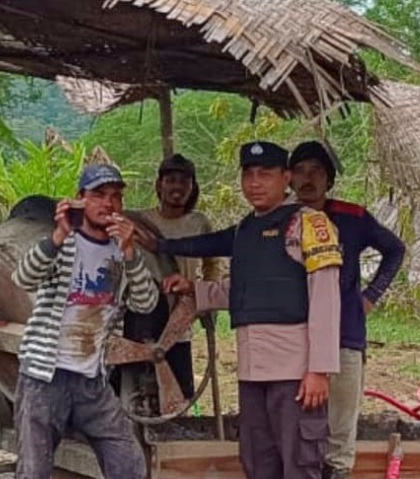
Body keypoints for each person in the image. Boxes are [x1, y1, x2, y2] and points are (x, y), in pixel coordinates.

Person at [144, 141, 343, 479]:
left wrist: (319, 370)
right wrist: (194, 289)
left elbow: (326, 299)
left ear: (286, 178)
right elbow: (242, 291)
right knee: (256, 459)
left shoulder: (309, 224)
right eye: (248, 174)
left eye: (265, 174)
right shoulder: (245, 229)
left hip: (294, 372)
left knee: (299, 461)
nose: (255, 182)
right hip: (252, 372)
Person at [11, 163, 159, 479]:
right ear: (80, 199)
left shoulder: (122, 253)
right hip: (44, 377)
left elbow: (147, 304)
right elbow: (23, 277)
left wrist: (131, 253)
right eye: (99, 195)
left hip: (92, 380)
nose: (108, 203)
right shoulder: (64, 245)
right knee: (34, 471)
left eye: (116, 197)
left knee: (128, 464)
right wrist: (58, 234)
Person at [289, 140, 406, 479]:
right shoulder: (282, 219)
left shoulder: (352, 217)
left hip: (345, 335)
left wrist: (370, 296)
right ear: (289, 178)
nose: (308, 180)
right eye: (300, 172)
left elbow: (395, 250)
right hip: (293, 337)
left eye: (317, 172)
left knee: (339, 431)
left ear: (329, 180)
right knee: (296, 427)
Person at [134, 153, 222, 399]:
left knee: (181, 392)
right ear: (159, 184)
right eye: (171, 180)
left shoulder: (198, 223)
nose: (177, 187)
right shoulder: (141, 222)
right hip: (141, 319)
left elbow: (212, 262)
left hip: (179, 321)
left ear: (192, 187)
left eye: (184, 181)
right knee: (139, 387)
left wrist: (205, 294)